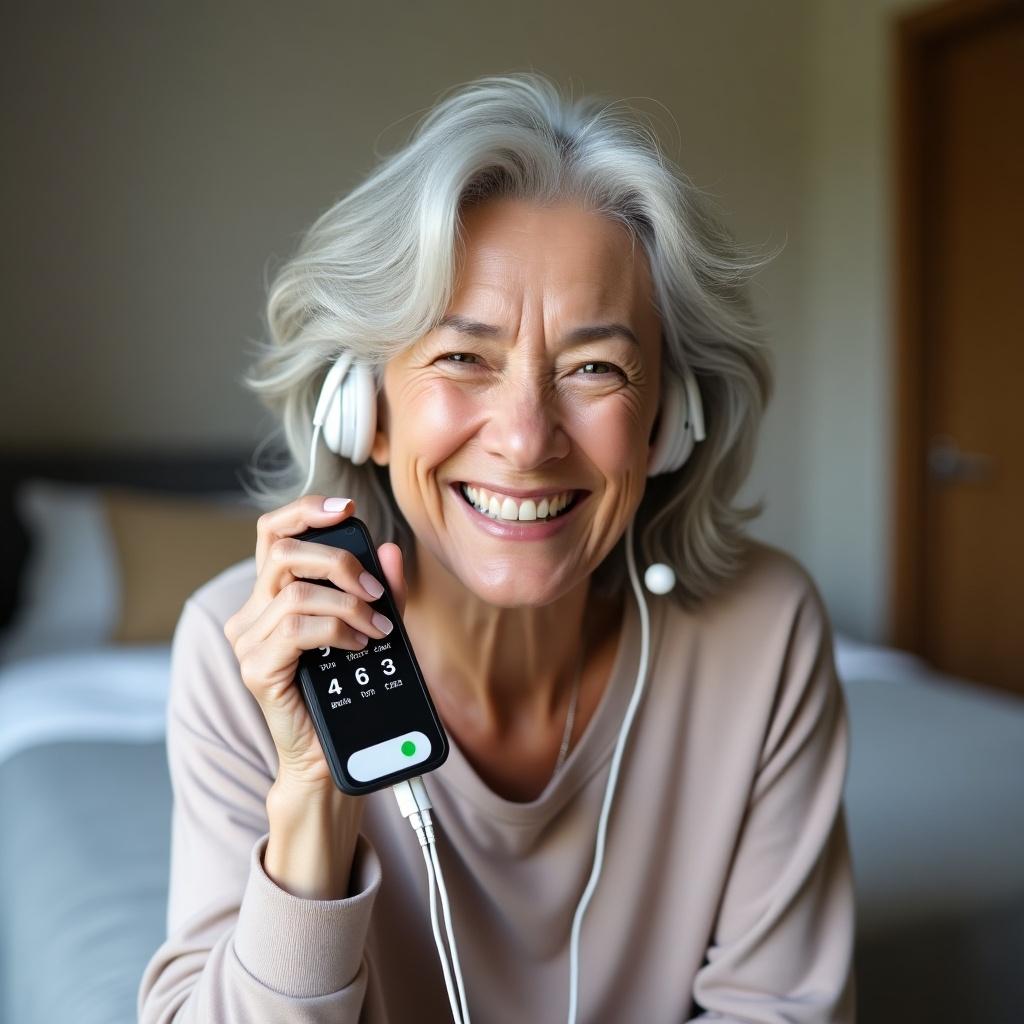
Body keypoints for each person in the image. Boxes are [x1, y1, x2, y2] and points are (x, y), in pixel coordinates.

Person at [138, 71, 856, 1023]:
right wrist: (316, 795)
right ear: (367, 413)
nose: (526, 438)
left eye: (595, 367)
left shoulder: (766, 634)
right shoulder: (241, 649)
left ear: (667, 424)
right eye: (462, 357)